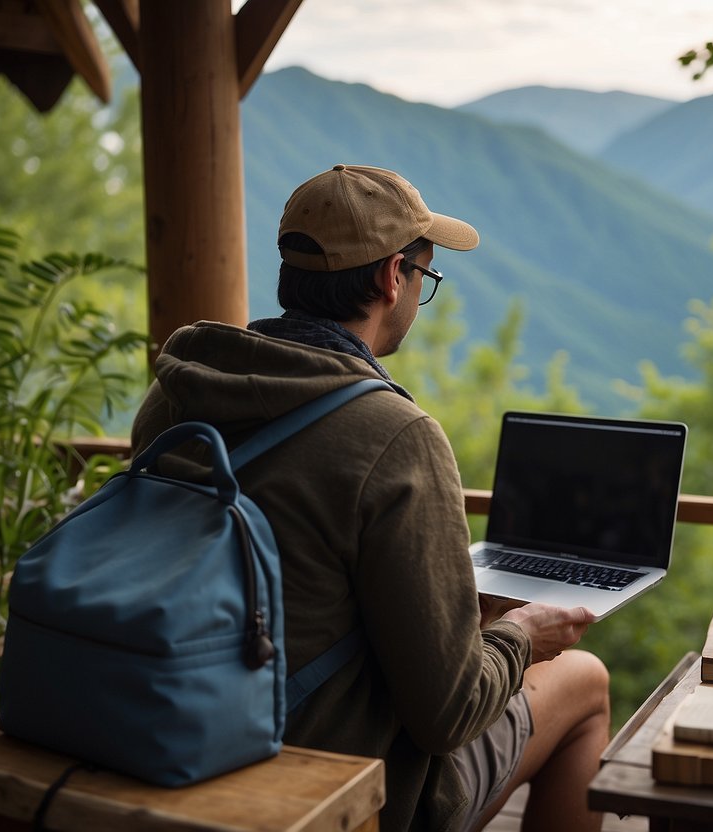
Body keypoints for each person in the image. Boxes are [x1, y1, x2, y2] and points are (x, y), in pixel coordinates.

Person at [130, 164, 610, 831]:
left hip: (175, 720)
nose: (419, 290)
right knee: (584, 680)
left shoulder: (178, 394)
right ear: (392, 276)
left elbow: (293, 580)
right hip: (343, 778)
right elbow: (446, 717)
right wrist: (520, 635)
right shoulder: (393, 436)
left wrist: (459, 610)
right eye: (427, 275)